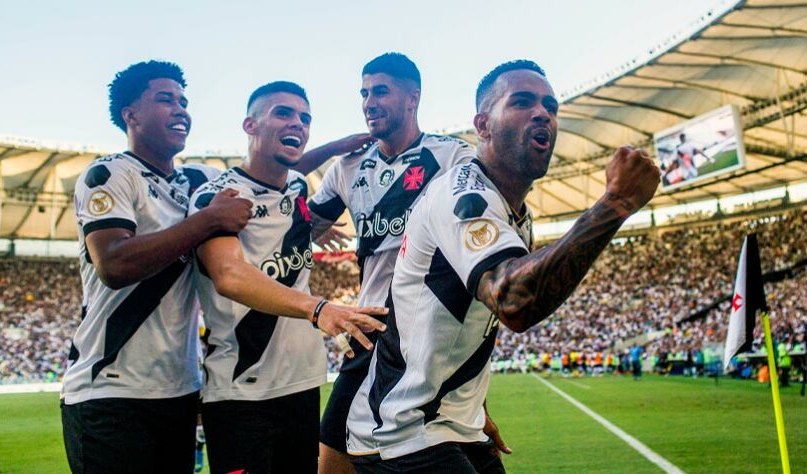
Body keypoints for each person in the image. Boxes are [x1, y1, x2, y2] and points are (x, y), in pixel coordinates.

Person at [346, 59, 659, 473]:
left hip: (457, 425)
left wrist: (477, 408)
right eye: (522, 102)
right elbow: (514, 302)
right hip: (403, 430)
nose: (542, 113)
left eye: (551, 105)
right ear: (483, 125)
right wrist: (615, 204)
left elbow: (475, 324)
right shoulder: (464, 196)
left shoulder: (515, 215)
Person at [303, 52, 508, 474]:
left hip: (429, 328)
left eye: (380, 91)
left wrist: (478, 402)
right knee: (332, 452)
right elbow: (292, 223)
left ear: (412, 97)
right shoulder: (348, 167)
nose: (368, 102)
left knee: (432, 444)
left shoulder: (452, 158)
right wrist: (329, 152)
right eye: (363, 93)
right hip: (370, 329)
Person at [61, 60, 252, 474]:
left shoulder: (198, 179)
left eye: (184, 101)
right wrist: (207, 220)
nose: (181, 109)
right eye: (166, 99)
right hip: (110, 392)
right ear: (131, 115)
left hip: (178, 392)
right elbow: (114, 263)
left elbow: (268, 176)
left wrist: (343, 151)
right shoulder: (110, 173)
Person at [188, 81, 387, 474]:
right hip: (240, 391)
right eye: (283, 113)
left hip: (301, 382)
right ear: (250, 125)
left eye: (305, 118)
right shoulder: (217, 198)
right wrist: (319, 309)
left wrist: (310, 222)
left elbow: (293, 172)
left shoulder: (297, 190)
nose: (297, 122)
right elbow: (229, 275)